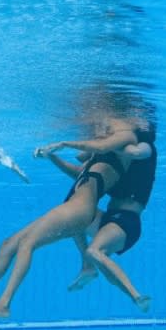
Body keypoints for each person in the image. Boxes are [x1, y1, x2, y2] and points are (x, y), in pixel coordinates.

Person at [0, 114, 149, 319]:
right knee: (9, 244)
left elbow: (103, 147)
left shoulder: (121, 148)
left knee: (27, 244)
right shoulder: (97, 160)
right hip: (72, 208)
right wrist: (51, 156)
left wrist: (66, 143)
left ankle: (3, 304)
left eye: (101, 125)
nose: (97, 128)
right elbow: (79, 171)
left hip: (79, 210)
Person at [54, 120, 157, 312]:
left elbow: (135, 153)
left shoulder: (145, 146)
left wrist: (106, 147)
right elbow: (80, 172)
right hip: (109, 217)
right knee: (73, 215)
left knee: (95, 251)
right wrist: (52, 157)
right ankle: (88, 267)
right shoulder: (112, 153)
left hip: (127, 222)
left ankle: (136, 295)